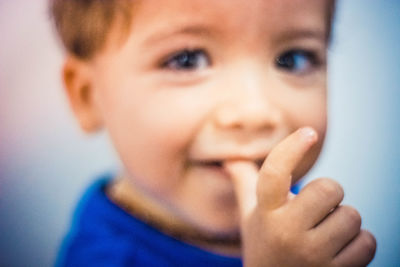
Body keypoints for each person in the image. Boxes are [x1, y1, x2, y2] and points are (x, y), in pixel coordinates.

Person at [51, 0, 376, 266]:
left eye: (292, 59)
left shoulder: (293, 204)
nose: (254, 112)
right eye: (187, 60)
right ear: (87, 95)